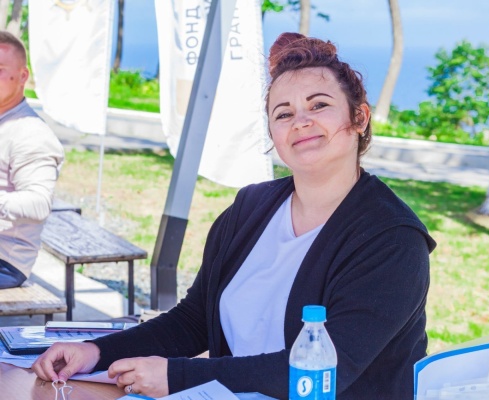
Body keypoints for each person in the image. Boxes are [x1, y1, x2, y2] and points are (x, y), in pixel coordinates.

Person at [32, 32, 436, 399]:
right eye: (283, 113)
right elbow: (193, 320)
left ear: (359, 118)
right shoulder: (250, 208)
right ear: (273, 134)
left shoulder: (393, 238)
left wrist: (178, 376)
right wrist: (96, 351)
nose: (301, 121)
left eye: (319, 105)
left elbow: (327, 370)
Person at [0, 31, 64, 289]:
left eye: (0, 69)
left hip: (5, 261)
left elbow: (39, 204)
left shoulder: (31, 134)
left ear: (23, 76)